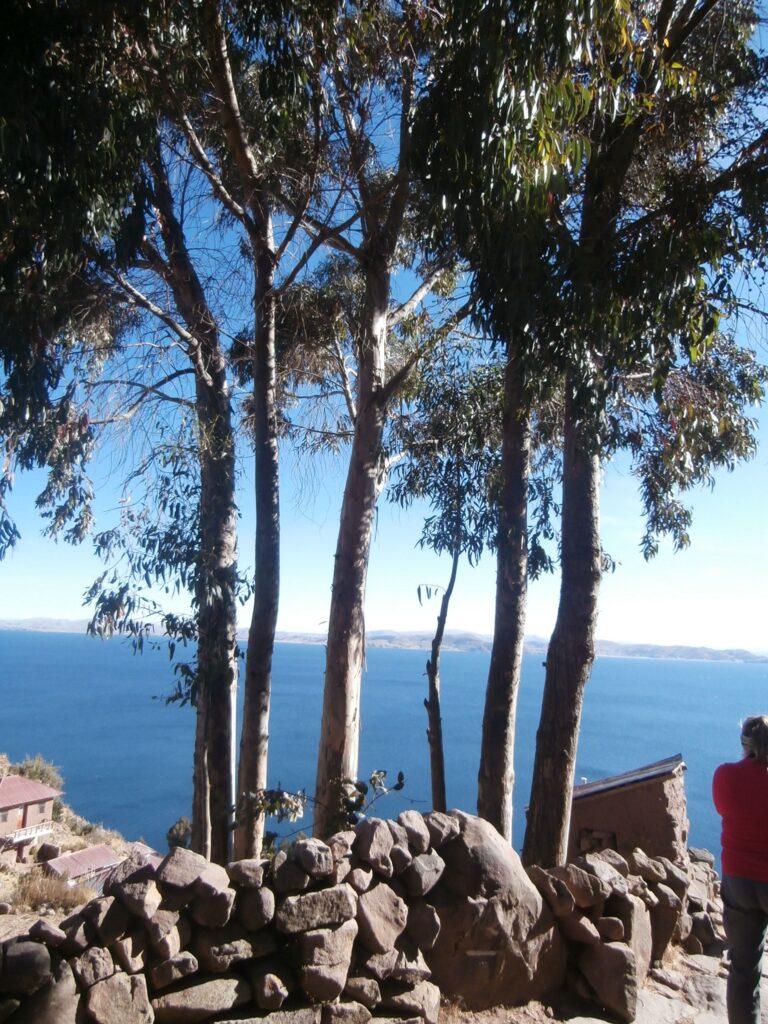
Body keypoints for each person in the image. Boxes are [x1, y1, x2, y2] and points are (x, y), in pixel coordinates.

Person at [713, 715, 768, 1024]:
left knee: (743, 971)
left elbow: (724, 809)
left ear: (745, 744)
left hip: (739, 882)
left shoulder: (725, 776)